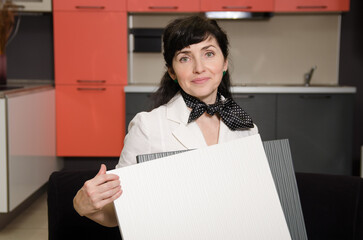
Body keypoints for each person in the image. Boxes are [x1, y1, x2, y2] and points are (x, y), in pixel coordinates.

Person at [73, 15, 258, 227]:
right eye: (185, 58)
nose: (199, 67)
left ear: (224, 63)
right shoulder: (148, 127)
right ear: (171, 71)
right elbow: (119, 214)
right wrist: (84, 205)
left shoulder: (245, 126)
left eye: (208, 54)